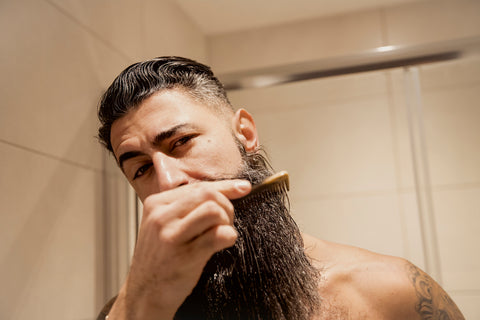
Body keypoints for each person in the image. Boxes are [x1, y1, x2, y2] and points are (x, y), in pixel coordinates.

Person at [96, 56, 464, 320]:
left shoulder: (391, 293)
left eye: (181, 142)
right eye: (141, 169)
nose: (168, 182)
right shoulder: (134, 309)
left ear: (246, 133)